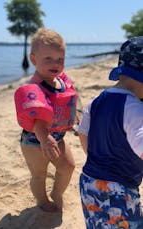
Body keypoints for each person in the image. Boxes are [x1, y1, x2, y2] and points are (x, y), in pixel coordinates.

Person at [78, 36, 143, 228]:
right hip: (118, 190)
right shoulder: (134, 109)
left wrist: (97, 160)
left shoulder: (98, 100)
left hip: (89, 182)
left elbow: (83, 134)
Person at [14, 28, 77, 212]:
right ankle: (41, 201)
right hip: (35, 141)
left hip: (57, 138)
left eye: (60, 59)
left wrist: (74, 114)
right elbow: (37, 121)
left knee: (68, 167)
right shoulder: (34, 87)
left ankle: (57, 193)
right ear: (33, 59)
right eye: (48, 58)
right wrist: (44, 138)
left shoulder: (61, 81)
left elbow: (66, 102)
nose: (55, 63)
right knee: (39, 175)